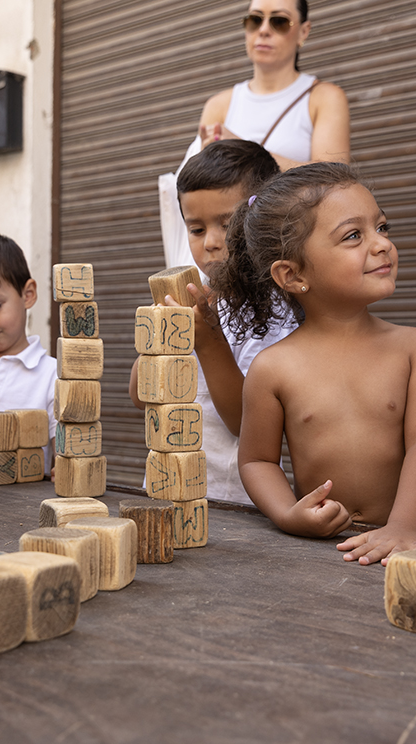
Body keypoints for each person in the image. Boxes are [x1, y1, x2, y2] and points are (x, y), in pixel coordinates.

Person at [212, 162, 416, 566]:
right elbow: (257, 461)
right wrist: (288, 514)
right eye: (354, 235)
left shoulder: (414, 349)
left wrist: (405, 527)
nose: (381, 244)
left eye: (382, 227)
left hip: (405, 547)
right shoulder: (273, 368)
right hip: (318, 555)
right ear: (292, 274)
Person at [131, 140, 291, 505]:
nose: (212, 243)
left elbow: (244, 423)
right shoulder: (192, 297)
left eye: (228, 224)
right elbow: (140, 396)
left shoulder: (273, 312)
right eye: (197, 229)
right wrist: (158, 336)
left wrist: (208, 340)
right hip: (164, 488)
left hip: (231, 504)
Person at [198, 0, 351, 171]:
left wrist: (244, 152)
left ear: (303, 31)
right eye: (255, 20)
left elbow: (333, 176)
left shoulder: (324, 98)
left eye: (279, 21)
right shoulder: (218, 105)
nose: (263, 30)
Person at [0, 233, 57, 471]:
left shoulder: (52, 374)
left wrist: (63, 466)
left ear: (27, 295)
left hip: (26, 495)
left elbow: (66, 450)